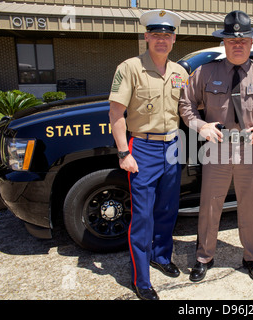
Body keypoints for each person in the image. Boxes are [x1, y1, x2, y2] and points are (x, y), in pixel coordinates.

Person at [179, 10, 253, 283]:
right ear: (224, 43)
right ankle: (204, 257)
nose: (237, 45)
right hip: (216, 148)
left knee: (250, 207)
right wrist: (200, 126)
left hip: (251, 150)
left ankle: (252, 257)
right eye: (231, 41)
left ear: (251, 42)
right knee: (210, 205)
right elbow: (185, 104)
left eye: (243, 40)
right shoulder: (205, 72)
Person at [108, 9, 188, 300]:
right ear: (146, 37)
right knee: (143, 217)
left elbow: (187, 111)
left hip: (172, 147)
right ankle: (141, 279)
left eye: (167, 35)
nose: (161, 40)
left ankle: (161, 256)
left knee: (167, 210)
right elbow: (116, 112)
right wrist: (123, 152)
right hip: (143, 148)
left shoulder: (180, 72)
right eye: (156, 34)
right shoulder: (129, 68)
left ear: (174, 39)